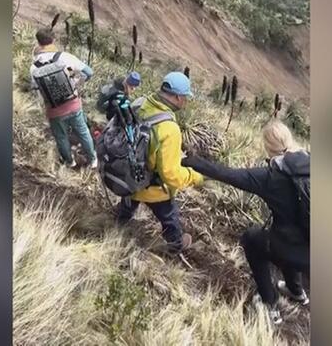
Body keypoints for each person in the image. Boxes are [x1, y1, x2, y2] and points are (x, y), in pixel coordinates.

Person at [182, 120, 310, 325]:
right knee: (293, 237)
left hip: (292, 249)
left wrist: (191, 161)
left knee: (254, 239)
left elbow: (229, 175)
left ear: (268, 147)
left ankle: (269, 303)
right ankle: (296, 291)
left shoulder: (270, 177)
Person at [117, 71, 205, 254]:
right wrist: (194, 177)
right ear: (177, 97)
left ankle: (118, 225)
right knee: (168, 217)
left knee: (127, 205)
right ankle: (176, 244)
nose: (185, 102)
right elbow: (170, 175)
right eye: (185, 98)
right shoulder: (169, 129)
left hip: (127, 176)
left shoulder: (140, 103)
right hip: (153, 188)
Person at [29, 27, 97, 169]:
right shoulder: (65, 57)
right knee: (83, 131)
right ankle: (92, 160)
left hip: (53, 110)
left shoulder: (34, 67)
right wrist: (77, 83)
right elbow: (89, 72)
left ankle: (70, 162)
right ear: (53, 40)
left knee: (61, 137)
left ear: (39, 43)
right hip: (72, 103)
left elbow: (36, 90)